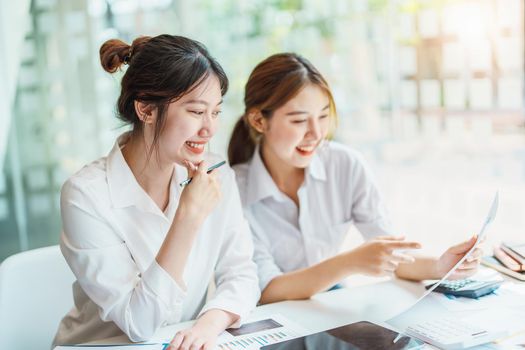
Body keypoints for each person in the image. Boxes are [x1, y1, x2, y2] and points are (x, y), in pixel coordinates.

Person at [53, 34, 259, 350]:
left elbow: (242, 273)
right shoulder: (85, 195)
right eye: (195, 111)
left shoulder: (215, 171)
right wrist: (188, 217)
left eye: (215, 112)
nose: (209, 129)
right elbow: (139, 323)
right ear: (146, 110)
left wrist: (207, 327)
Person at [228, 53, 482, 305]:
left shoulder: (345, 165)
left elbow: (392, 255)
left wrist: (441, 266)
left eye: (324, 116)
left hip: (328, 304)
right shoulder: (234, 190)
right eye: (299, 120)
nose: (316, 133)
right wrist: (350, 262)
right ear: (259, 120)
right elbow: (266, 289)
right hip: (276, 318)